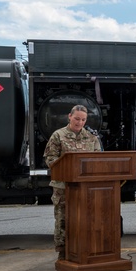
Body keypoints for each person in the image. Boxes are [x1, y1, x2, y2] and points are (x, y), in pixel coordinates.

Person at [43, 105, 102, 261]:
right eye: (77, 118)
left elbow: (98, 161)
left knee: (84, 219)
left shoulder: (91, 138)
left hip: (84, 188)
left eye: (83, 120)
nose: (79, 122)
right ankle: (63, 252)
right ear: (69, 116)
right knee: (63, 219)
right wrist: (67, 169)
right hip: (63, 186)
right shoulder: (58, 135)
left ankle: (84, 250)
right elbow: (50, 159)